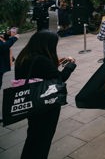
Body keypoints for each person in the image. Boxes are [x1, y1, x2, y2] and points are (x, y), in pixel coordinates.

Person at [14, 30, 77, 159]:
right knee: (43, 138)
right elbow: (59, 79)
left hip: (31, 102)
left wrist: (55, 63)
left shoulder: (24, 56)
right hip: (46, 105)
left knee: (33, 135)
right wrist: (71, 65)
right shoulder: (42, 60)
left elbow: (39, 73)